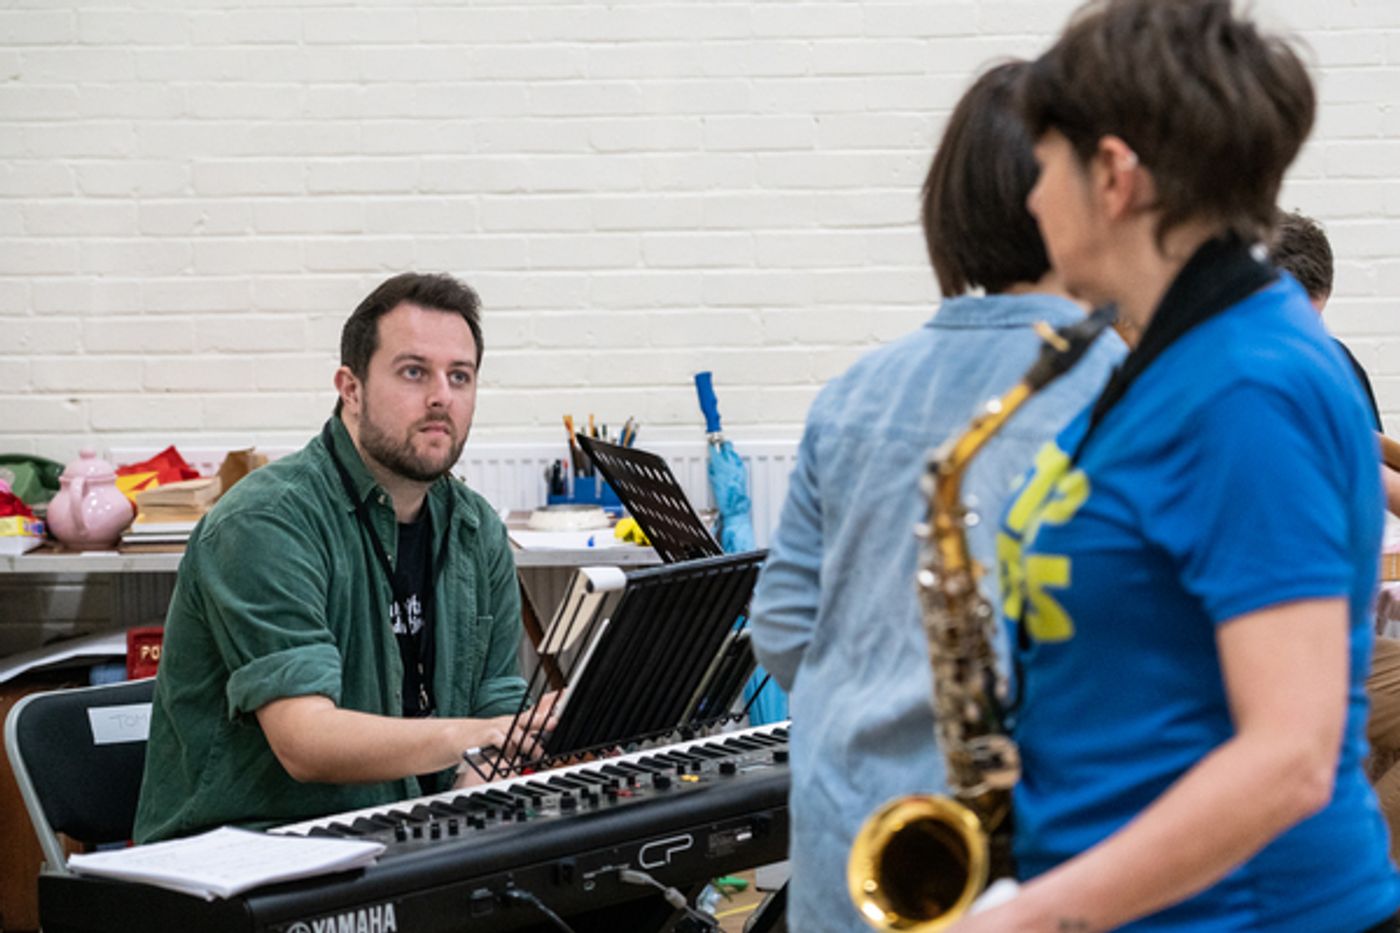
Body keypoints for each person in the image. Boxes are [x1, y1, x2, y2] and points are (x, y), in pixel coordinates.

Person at [954, 1, 1400, 930]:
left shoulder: (1248, 387)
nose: (1032, 203)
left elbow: (1291, 753)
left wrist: (1031, 915)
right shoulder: (1173, 358)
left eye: (1043, 169)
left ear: (1114, 175)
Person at [747, 61, 1123, 933]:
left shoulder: (852, 392)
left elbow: (782, 627)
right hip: (1035, 865)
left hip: (856, 847)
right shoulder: (1130, 392)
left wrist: (876, 697)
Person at [135, 273, 540, 842]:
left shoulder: (477, 529)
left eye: (460, 376)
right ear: (350, 389)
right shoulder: (266, 522)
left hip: (404, 836)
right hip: (251, 850)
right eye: (413, 371)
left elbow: (495, 709)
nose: (441, 396)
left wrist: (494, 763)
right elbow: (305, 742)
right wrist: (475, 736)